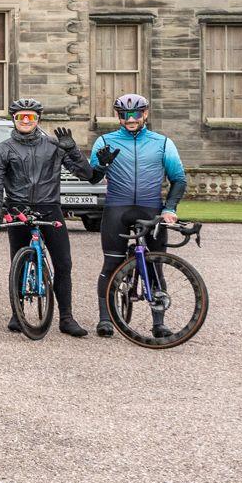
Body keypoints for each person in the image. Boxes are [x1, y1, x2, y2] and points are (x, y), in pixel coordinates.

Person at [0, 98, 90, 337]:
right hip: (18, 208)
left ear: (38, 119)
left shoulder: (54, 145)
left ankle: (67, 317)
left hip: (50, 207)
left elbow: (87, 174)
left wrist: (73, 150)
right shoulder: (2, 150)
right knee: (17, 263)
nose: (26, 121)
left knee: (64, 263)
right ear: (14, 120)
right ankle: (16, 312)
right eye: (21, 117)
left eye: (31, 117)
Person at [83, 93, 186, 339]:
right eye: (124, 114)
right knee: (111, 264)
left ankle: (158, 323)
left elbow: (178, 179)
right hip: (117, 208)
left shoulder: (162, 143)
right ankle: (105, 318)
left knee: (155, 266)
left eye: (136, 114)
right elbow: (93, 178)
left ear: (145, 114)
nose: (130, 119)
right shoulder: (104, 141)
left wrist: (170, 209)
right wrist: (100, 165)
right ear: (118, 116)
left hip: (151, 209)